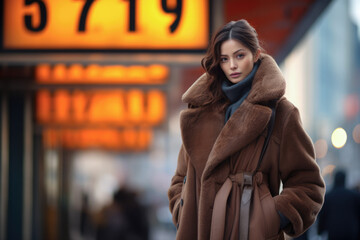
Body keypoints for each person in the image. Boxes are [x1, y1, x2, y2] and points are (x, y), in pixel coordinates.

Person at [167, 19, 325, 240]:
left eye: (239, 55)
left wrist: (270, 217)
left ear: (256, 54)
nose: (232, 65)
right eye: (224, 59)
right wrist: (182, 209)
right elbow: (180, 178)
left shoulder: (281, 114)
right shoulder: (200, 111)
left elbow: (309, 185)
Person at [317, 170, 360, 240]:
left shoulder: (328, 196)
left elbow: (322, 215)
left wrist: (320, 231)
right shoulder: (354, 195)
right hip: (351, 231)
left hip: (333, 232)